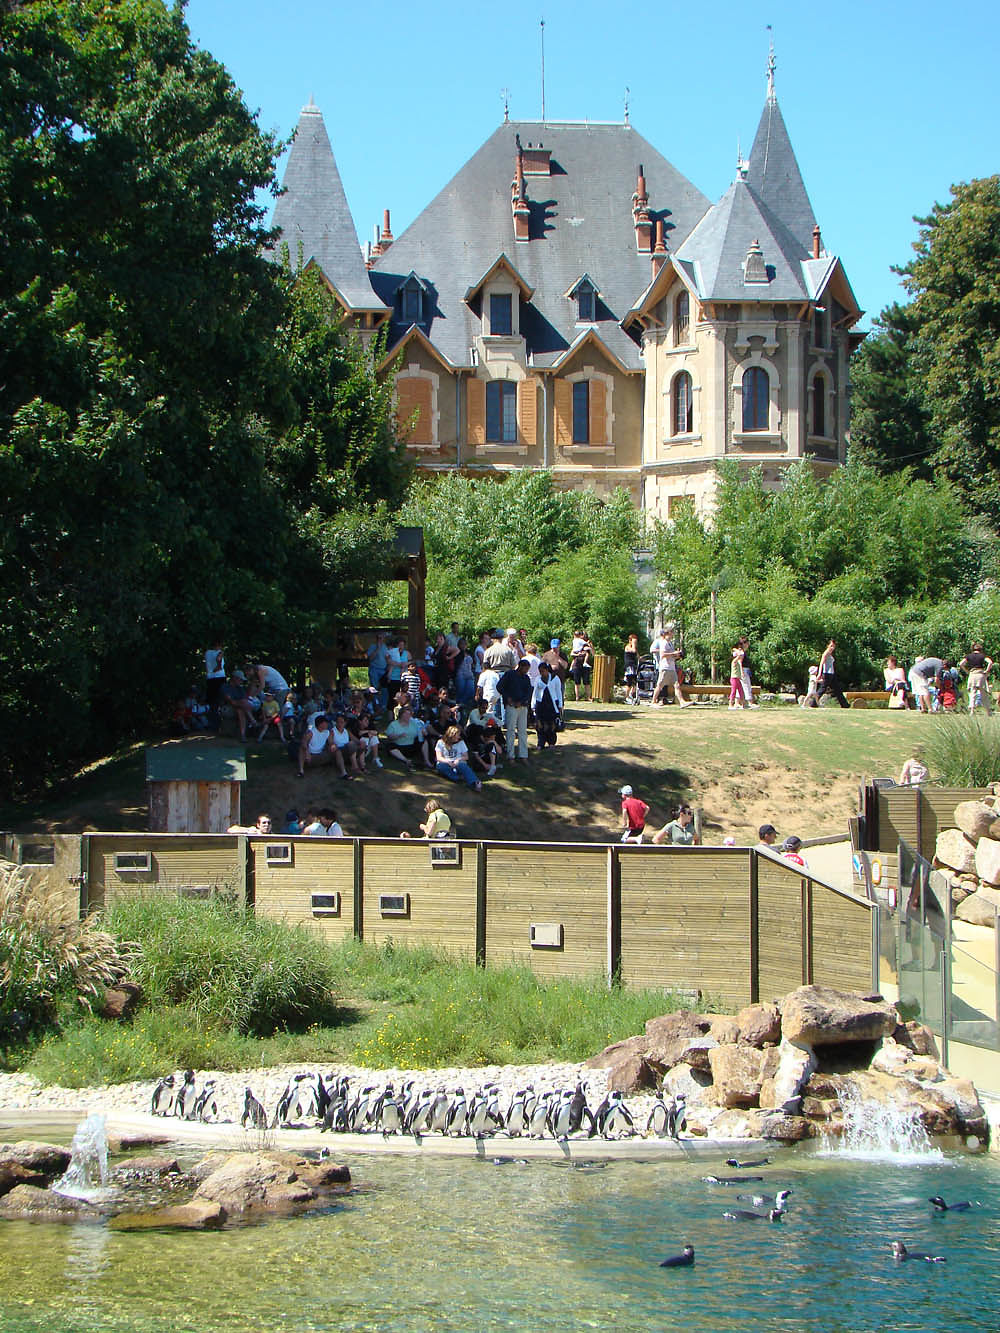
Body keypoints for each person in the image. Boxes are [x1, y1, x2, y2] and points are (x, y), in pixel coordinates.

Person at [498, 658, 532, 761]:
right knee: (511, 730)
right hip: (511, 705)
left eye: (527, 669)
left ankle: (523, 755)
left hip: (522, 706)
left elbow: (528, 692)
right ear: (520, 667)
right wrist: (508, 698)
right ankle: (510, 755)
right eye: (525, 668)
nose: (526, 671)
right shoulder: (510, 675)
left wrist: (522, 702)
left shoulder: (526, 678)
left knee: (522, 731)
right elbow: (500, 687)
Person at [385, 705, 432, 770]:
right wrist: (398, 736)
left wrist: (423, 732)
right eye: (406, 714)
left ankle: (427, 761)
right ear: (401, 715)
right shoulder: (393, 724)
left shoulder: (414, 723)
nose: (408, 716)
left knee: (424, 742)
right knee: (391, 747)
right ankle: (406, 760)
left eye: (409, 714)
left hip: (411, 746)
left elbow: (420, 733)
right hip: (399, 746)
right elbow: (389, 737)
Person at [435, 725, 482, 790]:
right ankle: (457, 777)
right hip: (446, 762)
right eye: (457, 735)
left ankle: (474, 782)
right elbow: (439, 757)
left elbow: (466, 757)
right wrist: (448, 762)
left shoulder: (461, 742)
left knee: (462, 765)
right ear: (452, 735)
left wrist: (458, 759)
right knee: (440, 766)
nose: (459, 737)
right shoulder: (440, 742)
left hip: (458, 762)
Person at [532, 659, 563, 748]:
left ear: (547, 670)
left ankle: (551, 742)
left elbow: (558, 692)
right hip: (541, 704)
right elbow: (535, 692)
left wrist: (560, 705)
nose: (542, 673)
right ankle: (541, 743)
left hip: (552, 704)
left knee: (552, 724)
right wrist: (533, 704)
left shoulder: (554, 678)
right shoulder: (538, 679)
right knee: (540, 724)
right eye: (540, 671)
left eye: (543, 671)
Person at [295, 714, 336, 778]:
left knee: (335, 750)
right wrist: (307, 752)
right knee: (301, 749)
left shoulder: (327, 732)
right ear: (320, 724)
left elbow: (331, 742)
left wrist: (333, 746)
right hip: (310, 755)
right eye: (325, 723)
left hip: (320, 754)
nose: (327, 724)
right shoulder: (311, 732)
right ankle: (301, 770)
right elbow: (304, 742)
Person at [960, 644, 994, 714]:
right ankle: (988, 711)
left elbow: (961, 664)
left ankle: (972, 710)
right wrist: (987, 671)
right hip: (980, 674)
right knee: (983, 693)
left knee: (972, 693)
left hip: (972, 674)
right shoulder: (982, 656)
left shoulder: (969, 656)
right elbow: (990, 662)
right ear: (980, 649)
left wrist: (967, 671)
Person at [816, 639, 849, 709]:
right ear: (828, 646)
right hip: (827, 674)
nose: (832, 648)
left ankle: (845, 705)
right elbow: (822, 663)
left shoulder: (831, 654)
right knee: (822, 689)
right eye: (831, 646)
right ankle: (813, 703)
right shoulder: (826, 653)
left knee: (837, 689)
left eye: (833, 646)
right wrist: (819, 674)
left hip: (832, 674)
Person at [204, 640, 226, 721]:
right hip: (219, 677)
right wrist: (218, 666)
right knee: (220, 698)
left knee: (211, 700)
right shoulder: (219, 652)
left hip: (210, 677)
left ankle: (211, 719)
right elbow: (218, 659)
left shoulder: (207, 652)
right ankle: (219, 719)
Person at [569, 632, 593, 701]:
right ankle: (577, 697)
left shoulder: (585, 645)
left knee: (587, 682)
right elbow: (572, 653)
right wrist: (578, 654)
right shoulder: (578, 643)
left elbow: (593, 653)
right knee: (577, 682)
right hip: (577, 664)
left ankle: (588, 697)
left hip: (585, 666)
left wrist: (591, 647)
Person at [730, 644, 748, 709]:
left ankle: (743, 704)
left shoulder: (738, 662)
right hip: (734, 678)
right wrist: (737, 650)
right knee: (733, 691)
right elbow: (740, 655)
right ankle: (730, 704)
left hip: (738, 678)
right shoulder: (734, 661)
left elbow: (741, 656)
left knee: (741, 691)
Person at [623, 634, 640, 705]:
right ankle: (626, 697)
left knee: (636, 683)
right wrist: (633, 644)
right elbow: (633, 651)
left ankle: (630, 695)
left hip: (634, 666)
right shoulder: (627, 647)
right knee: (629, 683)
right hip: (629, 666)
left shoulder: (634, 648)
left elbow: (637, 656)